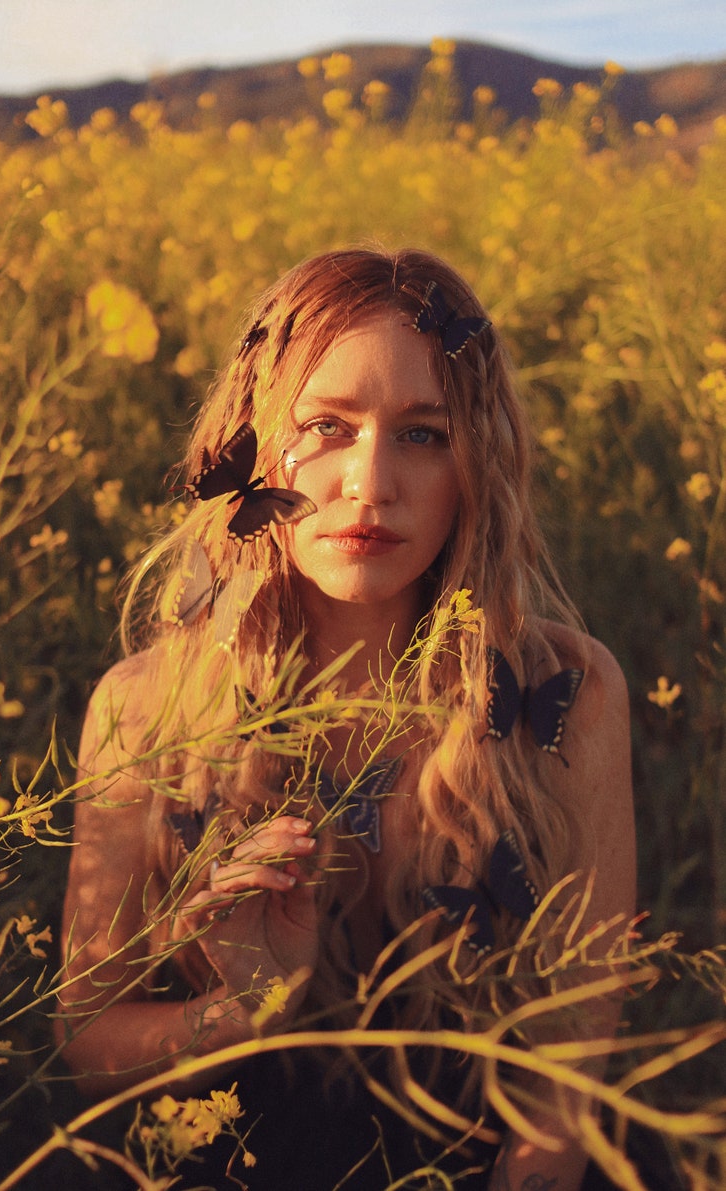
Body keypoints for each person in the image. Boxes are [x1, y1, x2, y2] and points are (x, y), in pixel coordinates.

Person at [57, 247, 636, 1190]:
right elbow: (85, 1036)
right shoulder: (145, 707)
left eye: (422, 434)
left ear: (477, 460)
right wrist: (247, 1006)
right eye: (327, 425)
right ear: (253, 447)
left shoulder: (571, 697)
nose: (370, 484)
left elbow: (564, 1076)